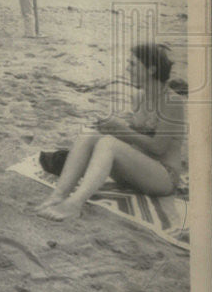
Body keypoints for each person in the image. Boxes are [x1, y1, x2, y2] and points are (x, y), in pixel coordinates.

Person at [35, 42, 185, 221]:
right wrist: (111, 128)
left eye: (133, 64)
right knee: (89, 134)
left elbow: (158, 148)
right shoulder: (139, 96)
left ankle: (74, 204)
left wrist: (121, 130)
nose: (128, 69)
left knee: (108, 144)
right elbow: (135, 138)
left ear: (151, 69)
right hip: (137, 172)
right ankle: (58, 196)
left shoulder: (171, 102)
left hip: (164, 177)